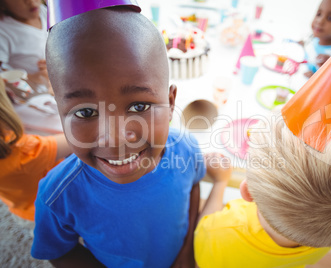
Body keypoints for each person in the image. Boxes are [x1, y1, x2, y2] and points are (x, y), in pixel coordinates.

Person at [194, 0, 331, 266]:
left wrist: (221, 182)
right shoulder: (323, 237)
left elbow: (202, 229)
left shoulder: (222, 233)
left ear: (246, 191)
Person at [31, 2, 206, 268]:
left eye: (139, 106)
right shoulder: (57, 195)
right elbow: (58, 252)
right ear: (60, 112)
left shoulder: (186, 149)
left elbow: (194, 186)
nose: (115, 138)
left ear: (170, 104)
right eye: (86, 112)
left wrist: (186, 249)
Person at [0, 78, 70, 267]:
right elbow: (75, 140)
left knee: (40, 234)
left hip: (21, 207)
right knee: (61, 242)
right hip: (56, 205)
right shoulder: (23, 151)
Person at [0, 0, 51, 90]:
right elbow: (2, 75)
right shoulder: (3, 31)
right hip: (32, 94)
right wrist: (33, 77)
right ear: (3, 5)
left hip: (56, 80)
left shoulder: (44, 11)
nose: (31, 2)